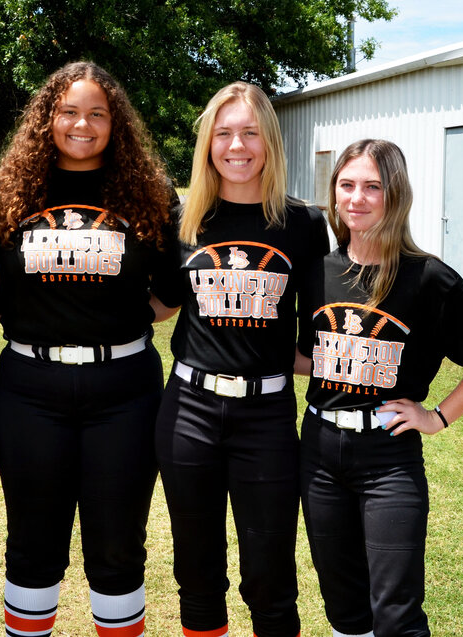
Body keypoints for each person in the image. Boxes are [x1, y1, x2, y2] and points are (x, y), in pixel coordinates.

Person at [0, 60, 175, 637]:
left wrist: (107, 323)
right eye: (68, 112)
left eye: (97, 113)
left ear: (115, 122)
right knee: (31, 545)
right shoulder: (9, 192)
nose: (82, 125)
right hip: (30, 389)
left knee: (118, 547)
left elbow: (169, 295)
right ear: (48, 118)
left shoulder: (151, 193)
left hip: (123, 391)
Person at [294, 139, 463, 637]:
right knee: (343, 606)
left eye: (372, 187)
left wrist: (437, 416)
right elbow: (312, 356)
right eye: (347, 185)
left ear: (395, 195)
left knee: (396, 613)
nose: (356, 198)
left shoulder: (428, 278)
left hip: (388, 459)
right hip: (318, 453)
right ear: (334, 192)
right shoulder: (317, 272)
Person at [153, 81, 329, 637]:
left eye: (250, 132)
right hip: (188, 412)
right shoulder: (185, 219)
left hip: (267, 417)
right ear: (208, 142)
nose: (237, 145)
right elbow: (159, 304)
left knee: (270, 573)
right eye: (224, 132)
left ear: (269, 141)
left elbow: (320, 332)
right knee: (197, 571)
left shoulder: (302, 224)